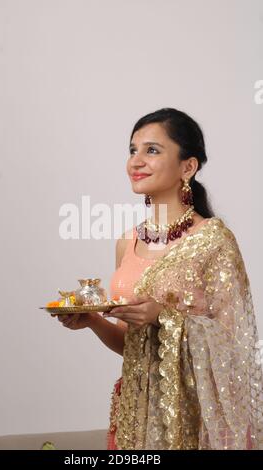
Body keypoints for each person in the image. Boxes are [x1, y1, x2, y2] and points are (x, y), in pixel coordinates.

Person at [57, 108, 263, 450]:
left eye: (152, 150)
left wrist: (163, 316)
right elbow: (133, 346)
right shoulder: (128, 241)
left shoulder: (213, 240)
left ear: (188, 167)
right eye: (132, 150)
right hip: (135, 413)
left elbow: (234, 348)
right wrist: (93, 320)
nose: (136, 161)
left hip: (193, 420)